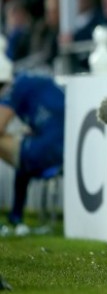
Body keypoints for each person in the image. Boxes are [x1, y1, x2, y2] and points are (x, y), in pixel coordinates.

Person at [0, 50, 65, 235]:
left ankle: (15, 218)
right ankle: (16, 217)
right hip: (66, 148)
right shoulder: (28, 80)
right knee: (24, 156)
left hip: (50, 150)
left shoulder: (13, 88)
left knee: (23, 155)